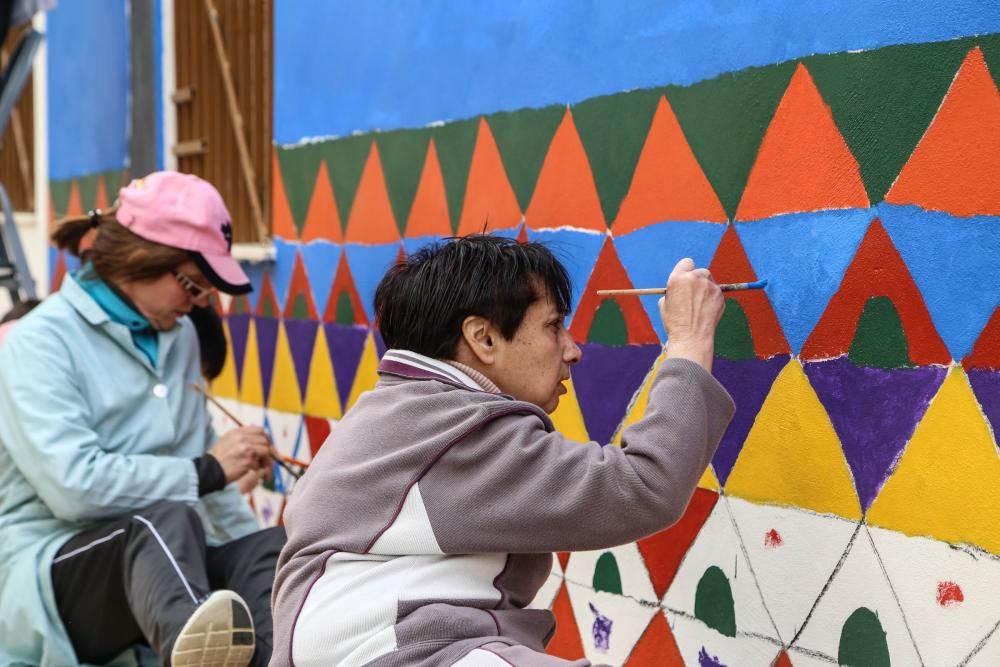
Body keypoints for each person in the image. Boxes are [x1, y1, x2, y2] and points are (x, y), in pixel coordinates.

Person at [269, 235, 735, 666]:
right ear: (483, 339)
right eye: (554, 326)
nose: (572, 351)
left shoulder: (402, 412)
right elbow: (643, 486)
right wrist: (689, 340)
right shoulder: (452, 432)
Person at [0, 171, 285, 667]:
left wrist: (259, 555)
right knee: (165, 522)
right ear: (139, 258)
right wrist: (205, 471)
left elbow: (211, 492)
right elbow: (74, 487)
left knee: (270, 549)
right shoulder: (37, 342)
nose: (199, 303)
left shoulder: (181, 340)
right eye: (193, 285)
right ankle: (195, 658)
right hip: (54, 571)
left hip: (165, 566)